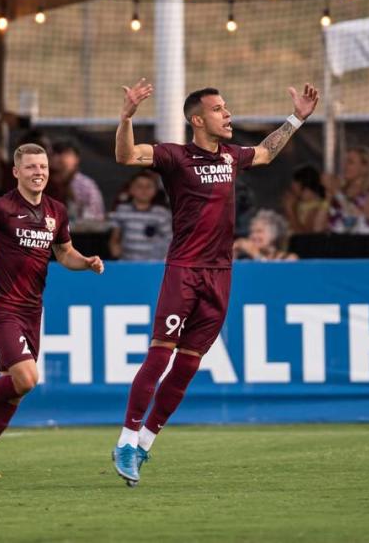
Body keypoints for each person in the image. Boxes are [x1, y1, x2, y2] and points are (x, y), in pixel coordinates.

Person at [111, 79, 318, 486]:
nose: (228, 115)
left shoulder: (231, 156)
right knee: (159, 357)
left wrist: (296, 118)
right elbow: (126, 156)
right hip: (184, 270)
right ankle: (125, 440)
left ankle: (143, 448)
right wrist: (127, 116)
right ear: (197, 119)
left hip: (221, 275)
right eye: (220, 109)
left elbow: (265, 152)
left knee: (187, 367)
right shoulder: (175, 156)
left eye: (226, 107)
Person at [0, 143, 104, 478]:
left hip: (32, 311)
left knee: (16, 386)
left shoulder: (56, 211)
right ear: (16, 172)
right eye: (31, 167)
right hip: (2, 307)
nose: (39, 173)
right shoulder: (0, 208)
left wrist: (86, 262)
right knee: (27, 378)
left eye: (43, 167)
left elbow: (65, 254)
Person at [318, 147, 369, 235]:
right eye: (345, 162)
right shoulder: (341, 191)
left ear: (365, 168)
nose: (345, 166)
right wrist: (328, 198)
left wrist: (337, 193)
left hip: (363, 244)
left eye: (350, 162)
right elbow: (318, 227)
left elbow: (363, 220)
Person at [108, 170, 173, 261]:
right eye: (139, 186)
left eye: (148, 186)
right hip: (127, 262)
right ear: (131, 189)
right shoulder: (122, 210)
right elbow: (115, 239)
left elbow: (170, 240)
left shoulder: (162, 213)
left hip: (154, 264)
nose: (144, 190)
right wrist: (115, 252)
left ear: (155, 190)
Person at [48, 139, 105, 223]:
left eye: (67, 154)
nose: (61, 158)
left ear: (77, 159)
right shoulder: (43, 182)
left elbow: (97, 216)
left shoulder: (86, 185)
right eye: (57, 153)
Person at [233, 209, 297, 261]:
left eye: (259, 231)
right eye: (252, 232)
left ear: (274, 234)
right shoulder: (247, 260)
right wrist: (234, 253)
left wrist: (256, 255)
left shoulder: (288, 259)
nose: (253, 236)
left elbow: (270, 275)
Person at [282, 164, 329, 234]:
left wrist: (290, 211)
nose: (292, 195)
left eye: (295, 191)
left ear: (307, 190)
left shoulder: (317, 208)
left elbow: (305, 237)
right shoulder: (298, 204)